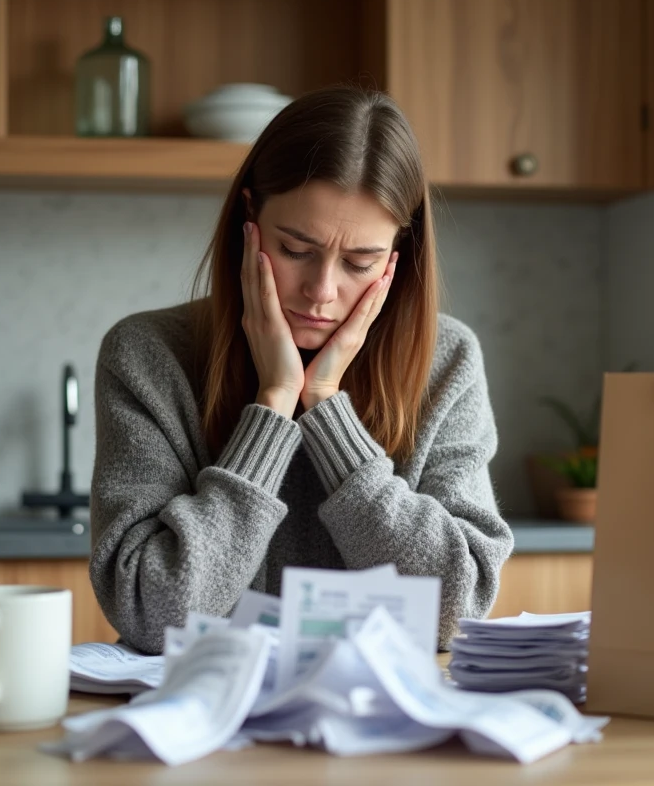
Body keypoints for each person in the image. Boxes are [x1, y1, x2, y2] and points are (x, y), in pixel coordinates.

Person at [89, 85, 514, 654]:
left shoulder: (448, 361)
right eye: (295, 250)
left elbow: (455, 610)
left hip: (379, 726)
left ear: (397, 259)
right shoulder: (147, 355)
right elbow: (150, 613)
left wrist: (328, 412)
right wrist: (275, 401)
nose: (321, 292)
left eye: (359, 263)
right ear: (250, 218)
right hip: (199, 724)